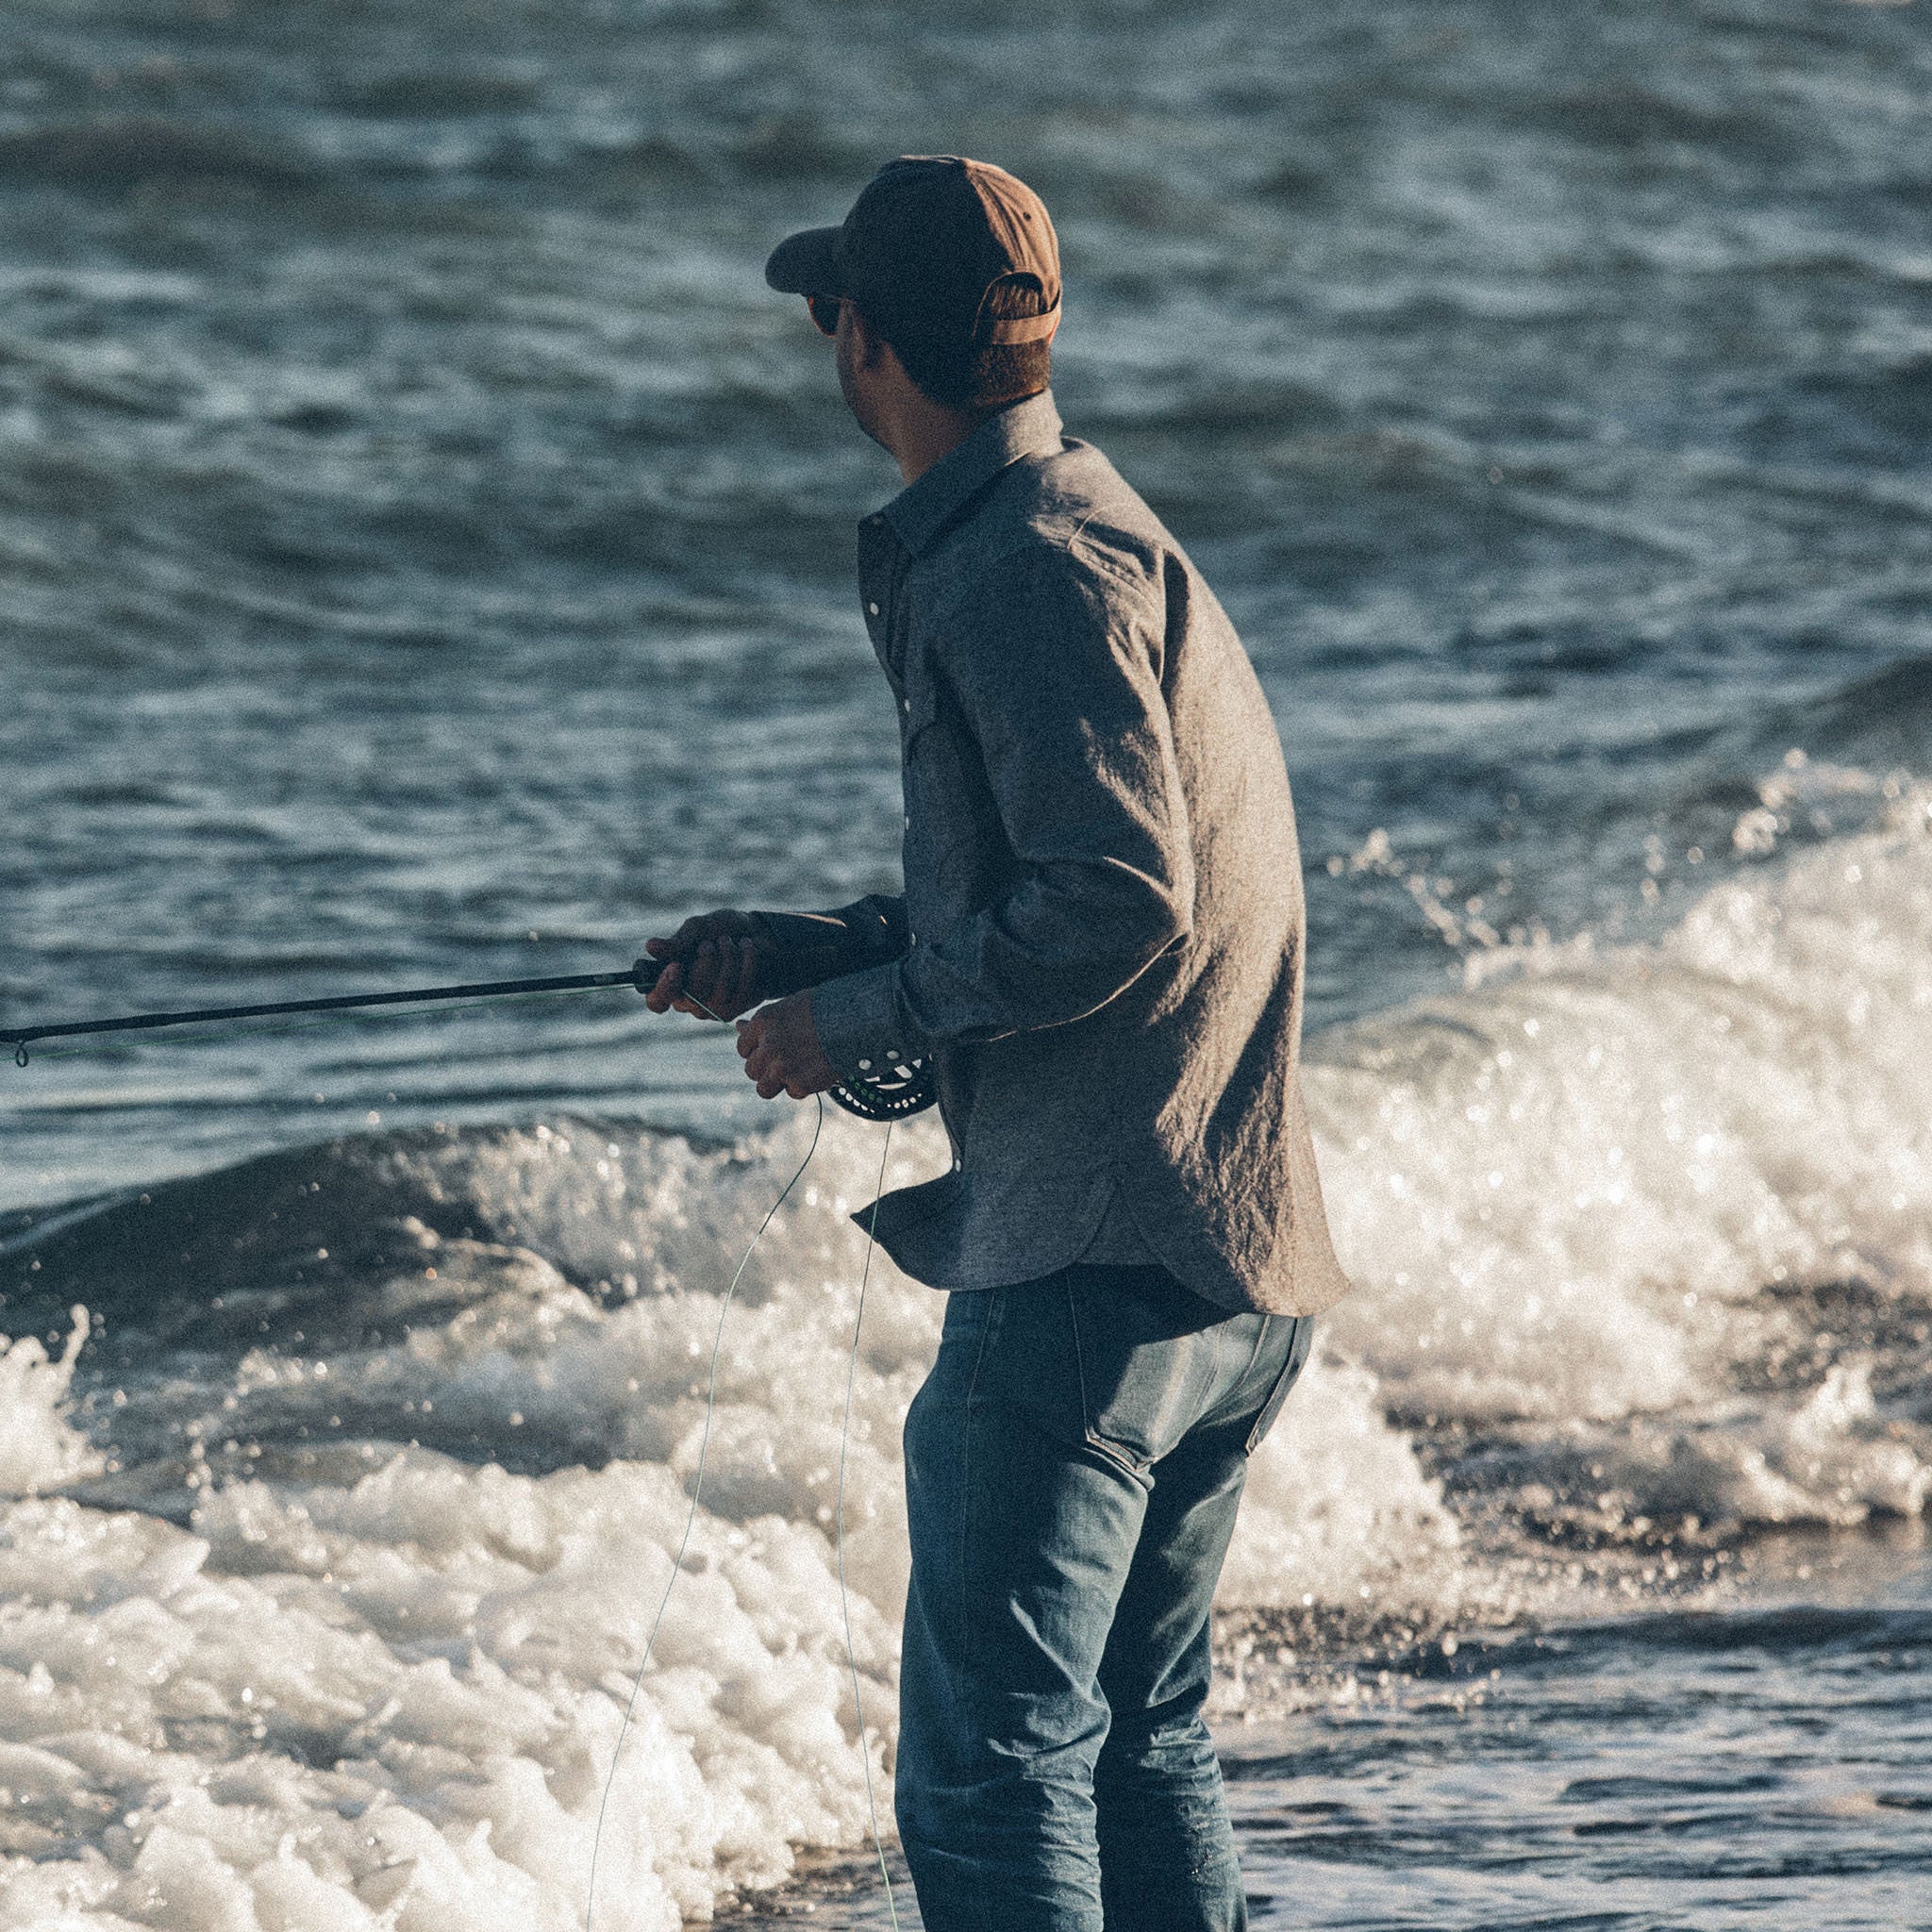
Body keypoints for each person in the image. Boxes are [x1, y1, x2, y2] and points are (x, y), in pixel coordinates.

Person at [643, 155, 1351, 1932]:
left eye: (833, 315)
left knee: (986, 1773)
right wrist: (830, 948)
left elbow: (1118, 900)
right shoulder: (1097, 527)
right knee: (1136, 1750)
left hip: (1088, 1271)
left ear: (863, 337)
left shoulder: (1021, 569)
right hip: (1219, 1258)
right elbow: (1080, 883)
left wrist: (849, 1022)